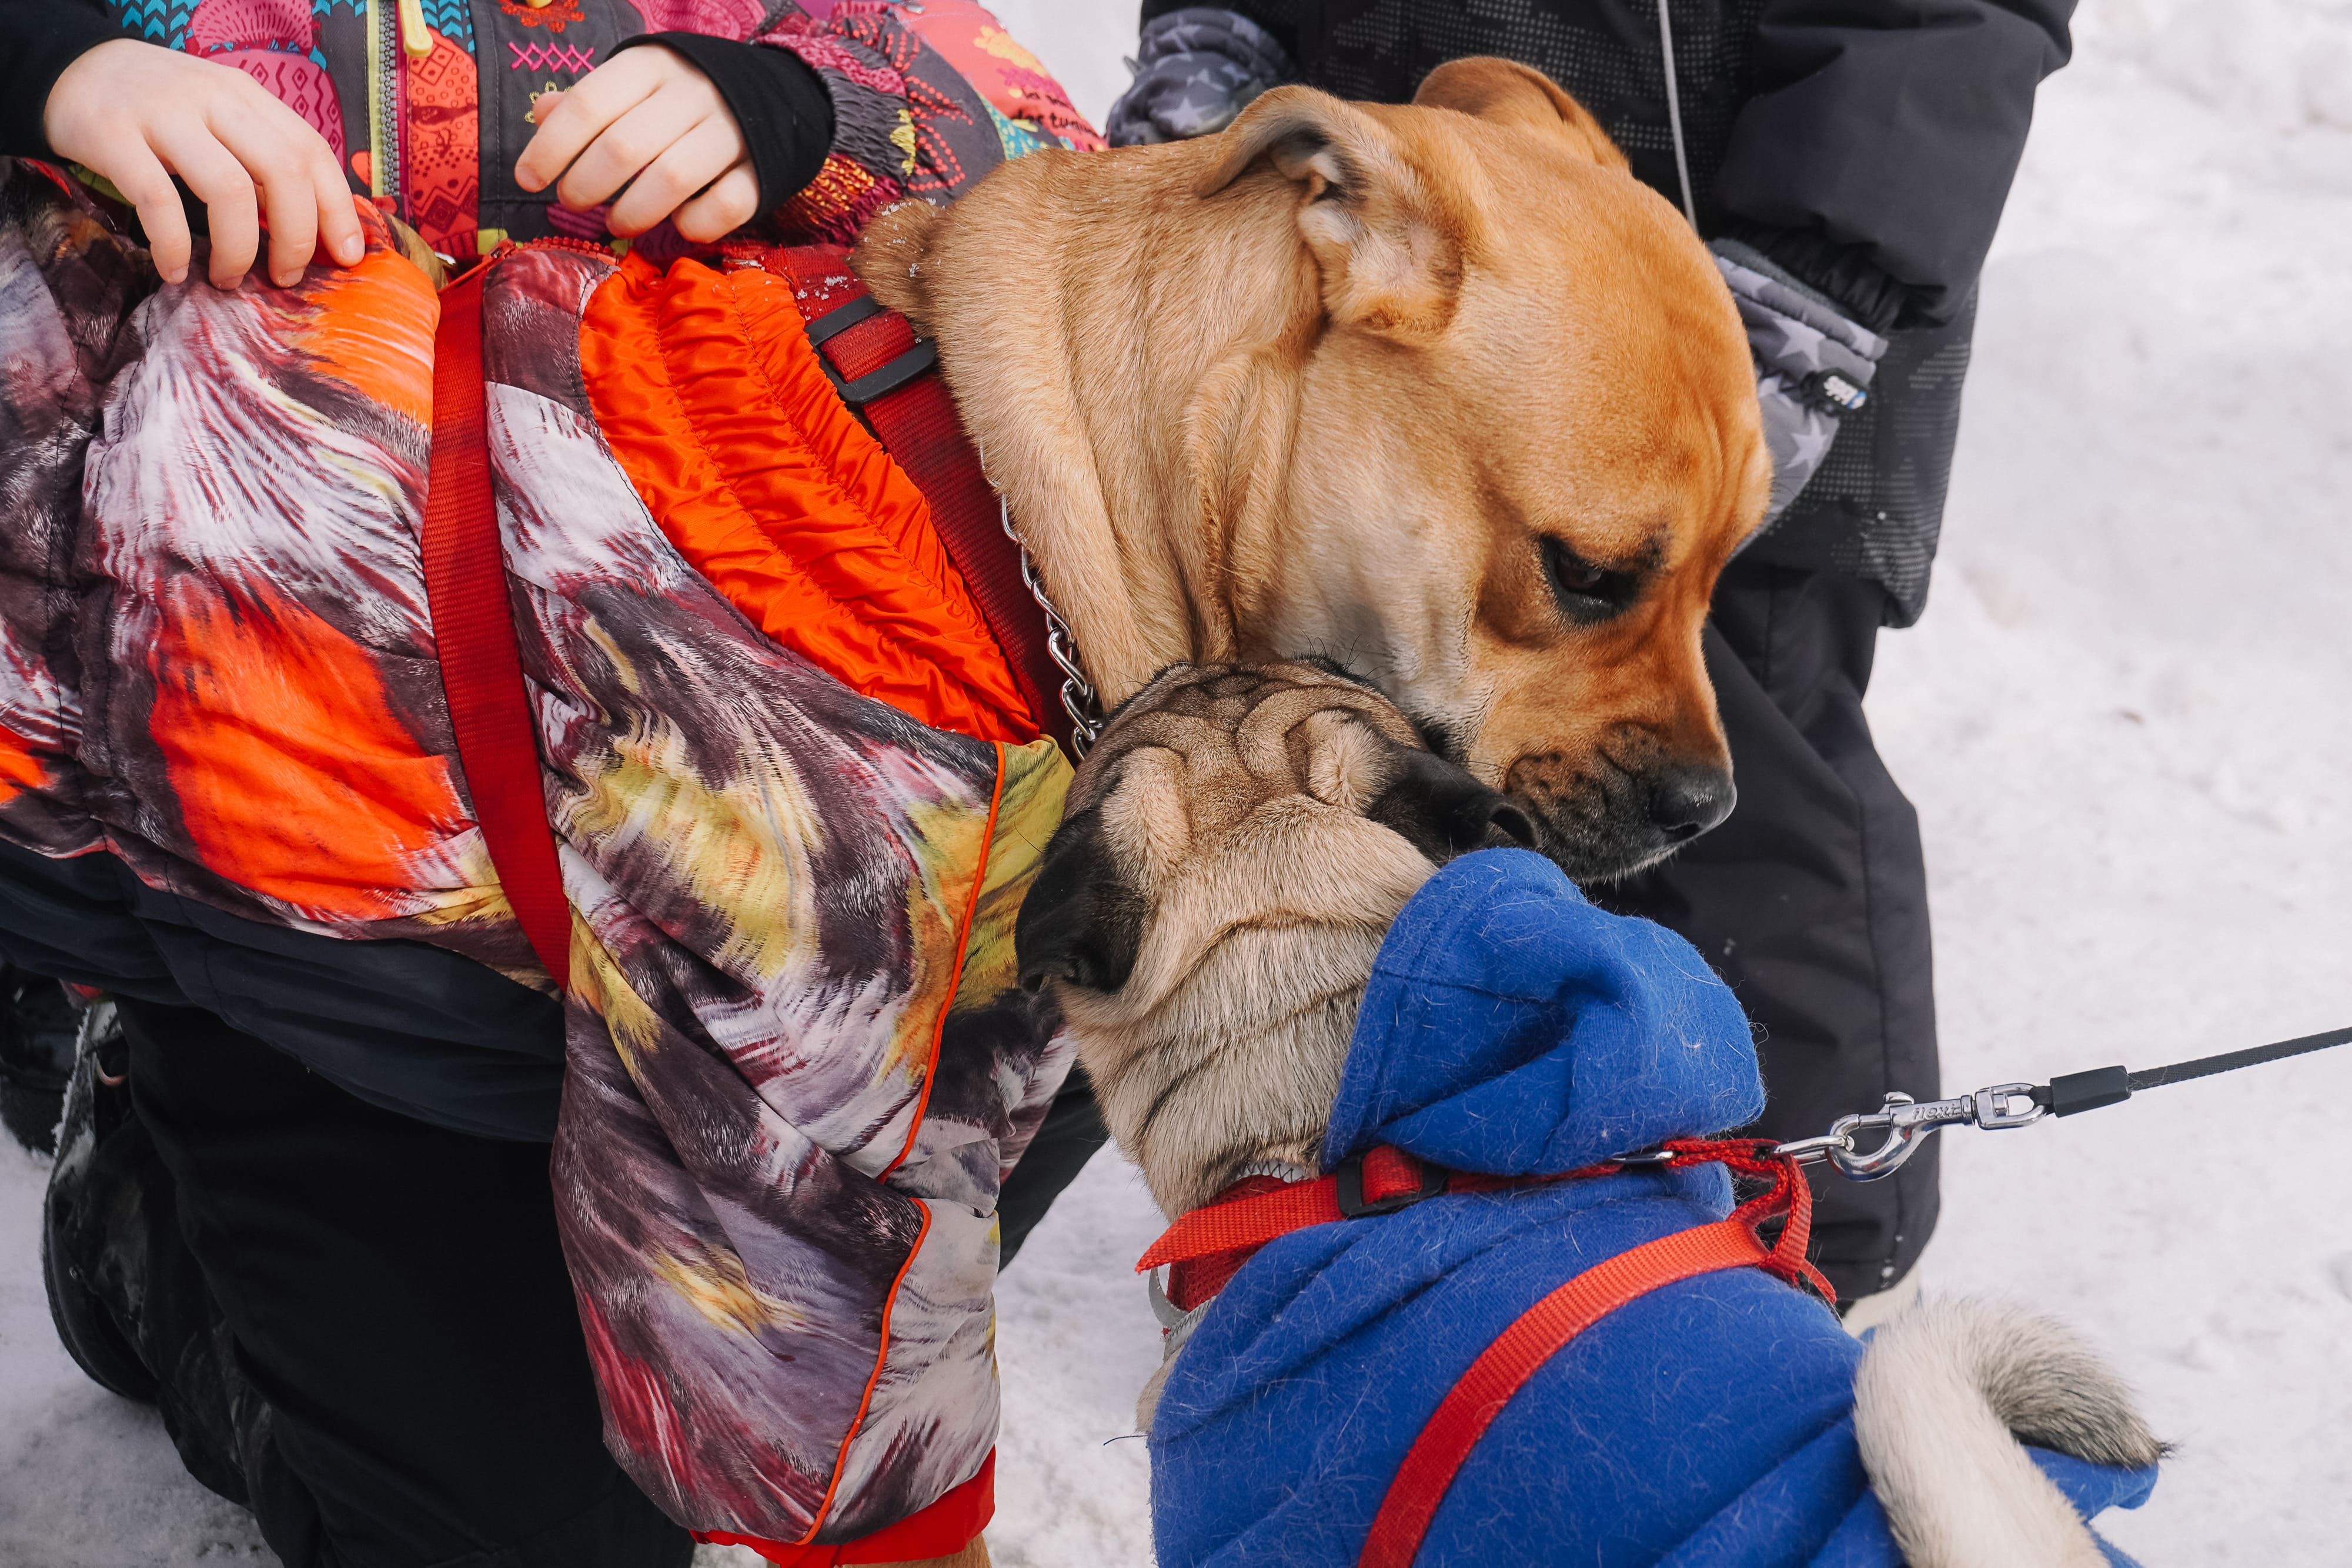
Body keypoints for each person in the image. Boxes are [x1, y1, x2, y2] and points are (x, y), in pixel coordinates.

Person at [0, 5, 1095, 1563]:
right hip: (327, 898)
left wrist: (797, 110)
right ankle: (159, 1215)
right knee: (529, 1530)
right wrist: (55, 67)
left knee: (1046, 973)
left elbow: (1060, 150)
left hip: (715, 788)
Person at [1065, 0, 2080, 1312]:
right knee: (1252, 776)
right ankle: (1323, 1243)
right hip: (1374, 223)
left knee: (1733, 800)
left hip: (1740, 244)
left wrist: (1820, 276)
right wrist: (1215, 44)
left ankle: (1782, 1286)